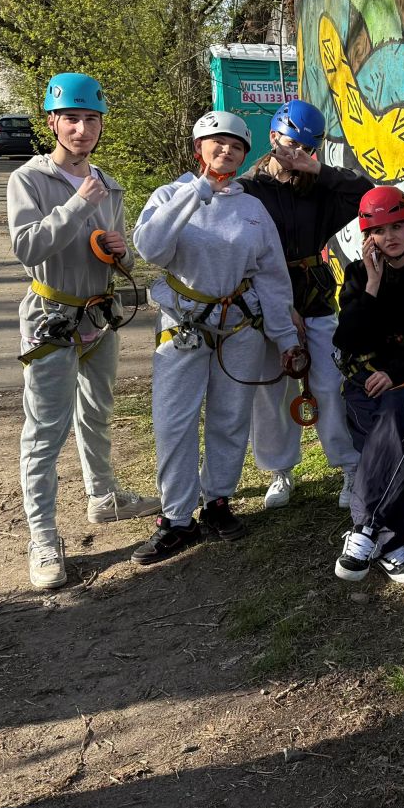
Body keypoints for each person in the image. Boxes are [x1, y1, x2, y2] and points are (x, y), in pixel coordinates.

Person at [6, 73, 159, 589]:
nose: (82, 129)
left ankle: (104, 496)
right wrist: (76, 205)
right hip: (51, 319)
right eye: (71, 119)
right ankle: (43, 537)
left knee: (96, 412)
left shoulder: (109, 185)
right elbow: (27, 248)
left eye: (91, 119)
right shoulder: (30, 180)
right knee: (45, 431)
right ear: (52, 122)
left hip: (100, 317)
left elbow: (122, 256)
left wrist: (123, 254)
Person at [130, 110, 302, 565]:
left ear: (245, 155)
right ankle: (176, 518)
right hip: (183, 326)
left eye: (236, 146)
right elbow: (150, 247)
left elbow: (272, 277)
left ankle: (218, 500)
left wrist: (286, 338)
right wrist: (197, 191)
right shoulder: (171, 195)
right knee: (174, 422)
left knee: (230, 417)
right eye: (217, 142)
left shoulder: (252, 210)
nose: (226, 150)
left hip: (239, 327)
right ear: (198, 149)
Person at [241, 99, 369, 510]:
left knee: (330, 385)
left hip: (314, 296)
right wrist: (279, 308)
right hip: (265, 297)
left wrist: (319, 170)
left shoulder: (320, 188)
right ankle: (280, 470)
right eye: (292, 144)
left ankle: (349, 465)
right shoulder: (249, 189)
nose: (297, 154)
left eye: (307, 148)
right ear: (273, 137)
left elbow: (366, 194)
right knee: (272, 389)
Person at [331, 186, 404, 584]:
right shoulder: (358, 274)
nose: (390, 236)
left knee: (388, 426)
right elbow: (348, 339)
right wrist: (372, 285)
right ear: (368, 238)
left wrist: (396, 372)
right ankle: (391, 545)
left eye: (397, 226)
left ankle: (364, 529)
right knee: (387, 446)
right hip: (364, 380)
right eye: (379, 231)